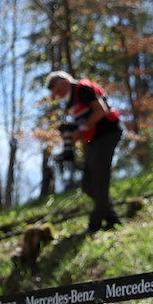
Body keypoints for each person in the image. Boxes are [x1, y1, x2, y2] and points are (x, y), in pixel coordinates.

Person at [46, 70, 124, 232]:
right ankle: (112, 218)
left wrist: (79, 131)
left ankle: (95, 224)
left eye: (59, 91)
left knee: (99, 181)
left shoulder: (82, 89)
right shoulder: (72, 101)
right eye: (56, 94)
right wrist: (71, 137)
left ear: (65, 83)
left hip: (107, 134)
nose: (60, 96)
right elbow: (84, 123)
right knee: (88, 185)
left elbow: (100, 110)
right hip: (94, 139)